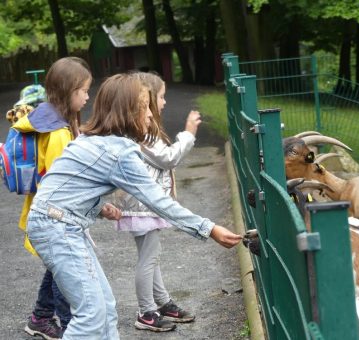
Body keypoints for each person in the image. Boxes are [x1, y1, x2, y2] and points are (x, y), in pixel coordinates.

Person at [25, 73, 242, 339]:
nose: (151, 116)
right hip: (58, 228)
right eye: (145, 108)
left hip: (56, 223)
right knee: (92, 314)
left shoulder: (91, 139)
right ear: (128, 111)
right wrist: (209, 229)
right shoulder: (120, 152)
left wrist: (98, 206)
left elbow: (66, 184)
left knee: (105, 307)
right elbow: (159, 202)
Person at [10, 56, 93, 340]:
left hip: (45, 213)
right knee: (64, 273)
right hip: (55, 217)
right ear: (70, 91)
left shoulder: (49, 119)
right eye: (83, 91)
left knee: (55, 268)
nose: (87, 96)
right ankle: (72, 328)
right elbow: (62, 184)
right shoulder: (57, 132)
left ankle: (40, 318)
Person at [111, 72, 200, 332]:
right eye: (161, 97)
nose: (163, 103)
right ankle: (146, 311)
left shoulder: (145, 132)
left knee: (151, 255)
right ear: (146, 101)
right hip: (142, 205)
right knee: (149, 258)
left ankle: (161, 302)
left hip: (143, 204)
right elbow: (168, 158)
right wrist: (189, 133)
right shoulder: (143, 135)